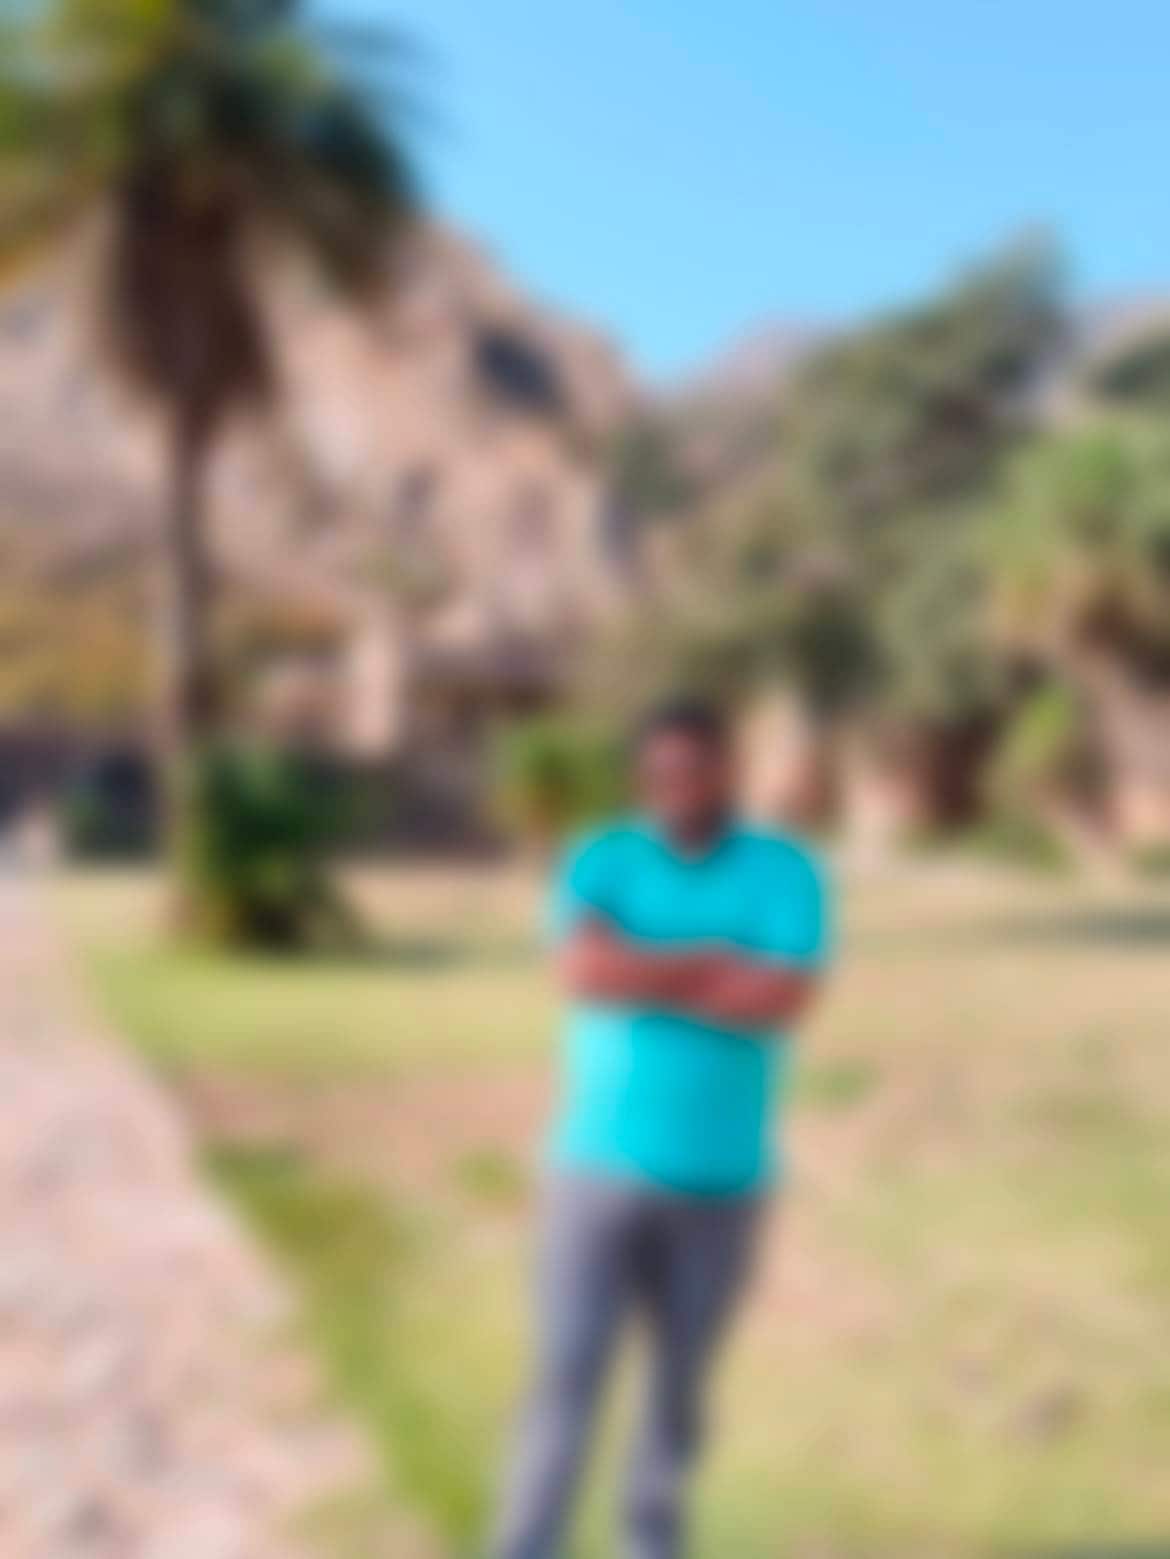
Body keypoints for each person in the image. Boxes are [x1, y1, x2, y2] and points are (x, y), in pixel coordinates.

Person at [492, 696, 833, 1559]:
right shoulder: (601, 857)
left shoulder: (784, 869)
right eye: (658, 771)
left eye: (692, 767)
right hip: (594, 1170)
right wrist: (713, 961)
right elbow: (582, 973)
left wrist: (640, 967)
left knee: (676, 1401)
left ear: (728, 768)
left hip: (721, 1181)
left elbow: (781, 996)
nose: (674, 784)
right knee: (564, 1380)